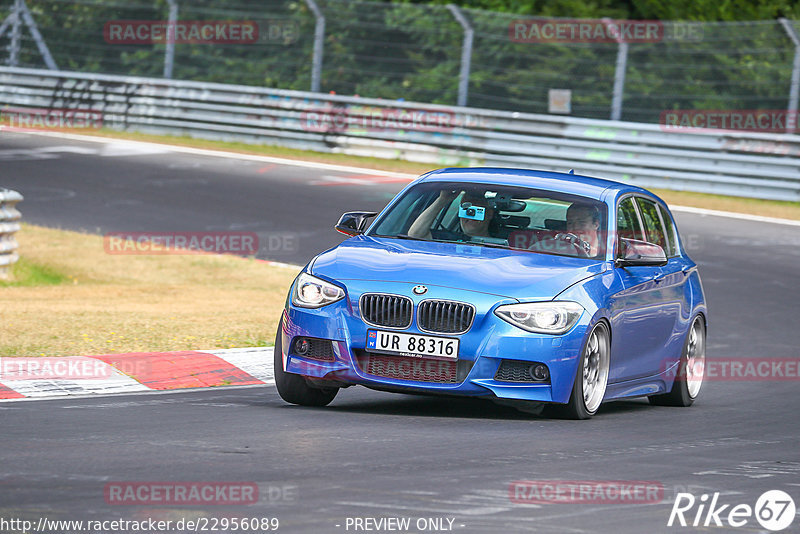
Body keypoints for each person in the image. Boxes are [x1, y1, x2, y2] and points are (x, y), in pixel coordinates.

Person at [407, 189, 495, 241]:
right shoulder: (449, 239)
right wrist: (442, 200)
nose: (470, 213)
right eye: (466, 209)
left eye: (476, 210)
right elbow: (415, 235)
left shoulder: (501, 245)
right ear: (460, 213)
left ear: (489, 214)